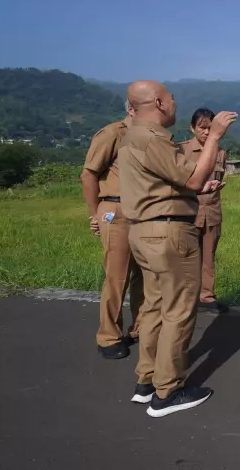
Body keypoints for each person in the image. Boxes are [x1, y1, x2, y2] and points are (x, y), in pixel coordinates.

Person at [119, 80, 237, 418]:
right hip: (169, 233)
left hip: (144, 231)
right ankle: (167, 392)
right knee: (179, 310)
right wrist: (214, 135)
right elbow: (193, 181)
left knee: (154, 306)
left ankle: (147, 381)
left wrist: (192, 190)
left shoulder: (131, 137)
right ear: (158, 102)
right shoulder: (152, 137)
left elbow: (168, 185)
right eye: (171, 99)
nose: (174, 104)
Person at [80, 99, 144, 360]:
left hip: (144, 213)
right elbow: (88, 175)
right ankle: (108, 335)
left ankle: (140, 326)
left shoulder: (149, 138)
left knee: (145, 276)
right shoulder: (112, 134)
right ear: (131, 109)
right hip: (117, 210)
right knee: (117, 276)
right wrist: (95, 213)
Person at [179, 108, 228, 312]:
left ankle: (206, 296)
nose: (207, 132)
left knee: (209, 256)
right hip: (189, 211)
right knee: (187, 257)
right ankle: (185, 297)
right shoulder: (180, 151)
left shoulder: (220, 152)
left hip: (212, 211)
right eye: (202, 128)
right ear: (192, 128)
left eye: (210, 128)